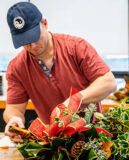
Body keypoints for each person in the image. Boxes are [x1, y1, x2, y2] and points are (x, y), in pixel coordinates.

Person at [3, 2, 117, 142]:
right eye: (24, 41)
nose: (31, 46)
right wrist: (13, 118)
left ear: (45, 23)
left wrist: (75, 99)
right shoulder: (16, 67)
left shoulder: (76, 47)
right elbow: (14, 108)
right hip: (53, 141)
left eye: (34, 37)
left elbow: (109, 82)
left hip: (93, 136)